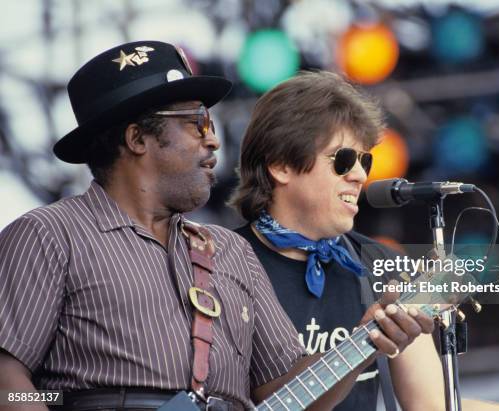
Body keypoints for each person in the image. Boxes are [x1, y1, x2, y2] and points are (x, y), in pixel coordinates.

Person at [0, 42, 434, 411]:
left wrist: (364, 342)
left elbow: (288, 392)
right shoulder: (48, 235)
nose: (213, 139)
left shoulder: (228, 251)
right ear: (137, 139)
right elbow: (6, 379)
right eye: (197, 123)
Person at [229, 70, 499, 411]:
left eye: (365, 161)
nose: (359, 175)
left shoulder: (377, 264)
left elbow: (433, 406)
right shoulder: (222, 264)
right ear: (280, 165)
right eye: (342, 159)